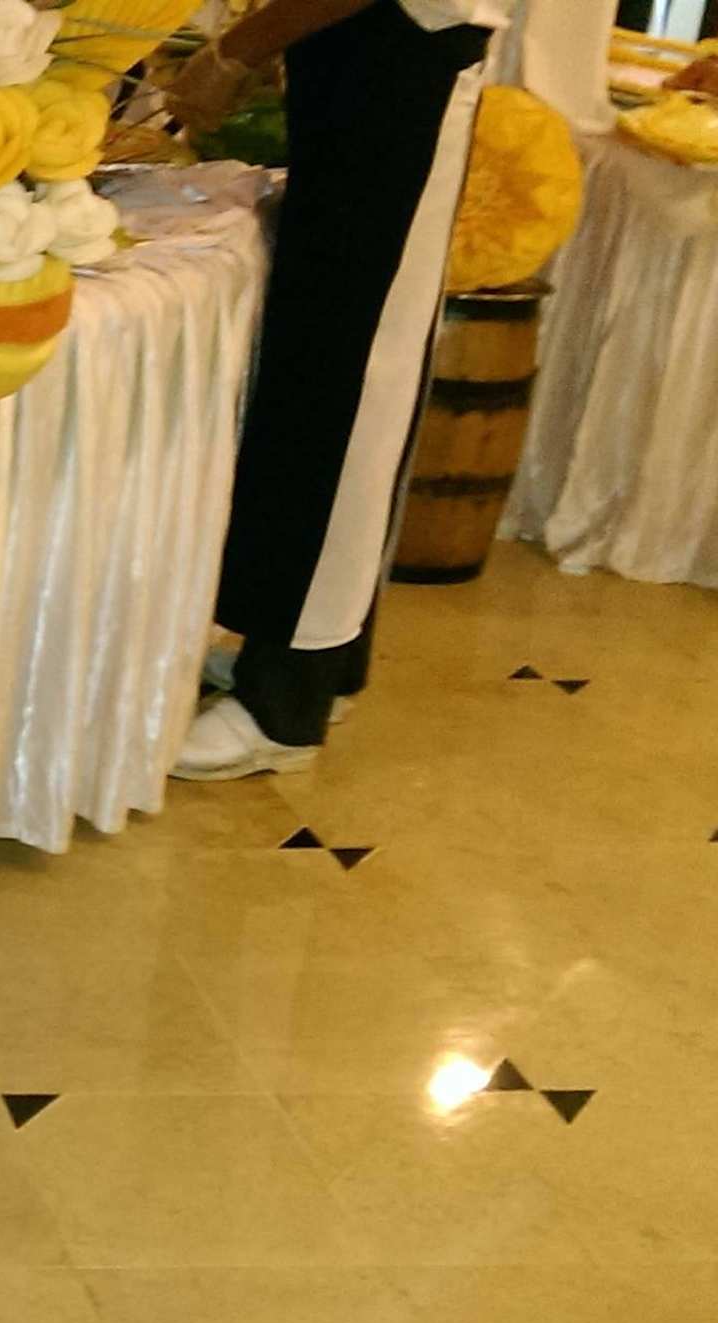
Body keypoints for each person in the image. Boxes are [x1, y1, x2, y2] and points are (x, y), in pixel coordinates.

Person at [161, 0, 508, 778]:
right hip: (373, 54)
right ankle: (326, 654)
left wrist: (238, 50)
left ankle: (285, 701)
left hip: (403, 58)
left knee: (352, 381)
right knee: (325, 363)